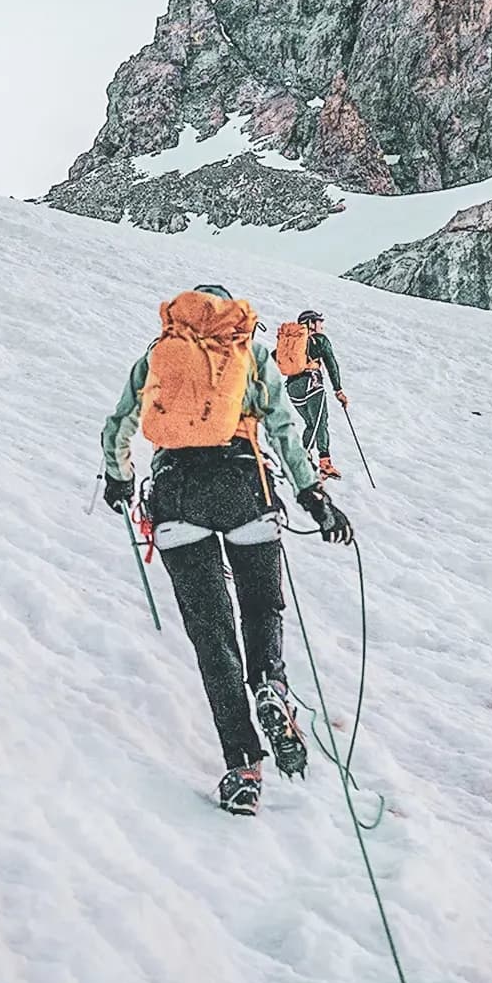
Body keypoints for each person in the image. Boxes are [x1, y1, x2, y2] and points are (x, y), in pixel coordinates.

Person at [101, 283, 354, 815]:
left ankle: (242, 769)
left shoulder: (159, 353)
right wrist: (315, 498)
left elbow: (120, 423)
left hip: (175, 495)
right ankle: (271, 684)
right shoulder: (249, 351)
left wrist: (118, 479)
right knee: (262, 606)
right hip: (245, 487)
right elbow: (284, 426)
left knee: (211, 635)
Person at [282, 310, 346, 480]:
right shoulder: (319, 340)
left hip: (292, 388)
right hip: (312, 383)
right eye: (318, 322)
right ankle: (321, 463)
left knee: (311, 423)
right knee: (320, 421)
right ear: (310, 323)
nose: (321, 326)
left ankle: (307, 456)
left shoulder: (291, 341)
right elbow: (331, 364)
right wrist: (338, 390)